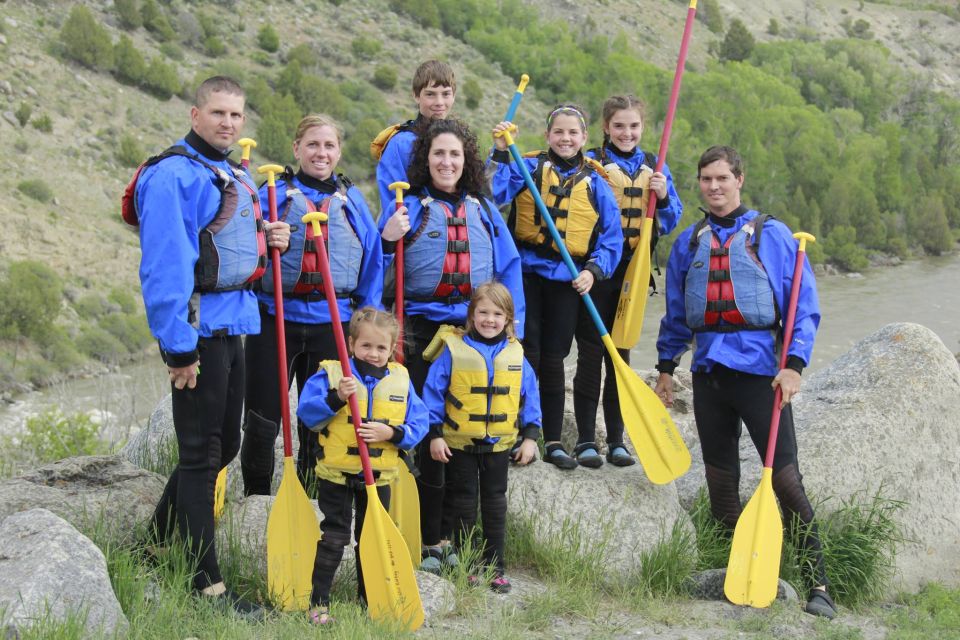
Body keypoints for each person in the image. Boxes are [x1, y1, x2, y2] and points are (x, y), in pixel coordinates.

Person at [653, 145, 835, 619]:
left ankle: (819, 580)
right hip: (709, 373)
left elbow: (802, 304)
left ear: (739, 180)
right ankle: (741, 568)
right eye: (706, 180)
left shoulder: (771, 235)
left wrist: (794, 364)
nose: (714, 187)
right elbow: (676, 313)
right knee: (721, 483)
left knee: (786, 481)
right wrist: (666, 368)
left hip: (760, 374)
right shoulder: (689, 243)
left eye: (722, 179)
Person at [133, 76, 290, 619]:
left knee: (221, 449)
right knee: (201, 455)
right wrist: (178, 350)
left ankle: (153, 548)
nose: (228, 123)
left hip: (234, 324)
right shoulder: (173, 175)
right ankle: (207, 587)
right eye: (218, 113)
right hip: (198, 332)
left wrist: (268, 236)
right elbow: (165, 268)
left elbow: (225, 243)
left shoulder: (230, 172)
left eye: (237, 116)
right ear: (194, 114)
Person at [378, 117, 524, 573]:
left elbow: (509, 269)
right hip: (420, 332)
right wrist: (387, 239)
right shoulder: (409, 209)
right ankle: (429, 539)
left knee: (460, 432)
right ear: (426, 159)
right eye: (438, 154)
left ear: (467, 162)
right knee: (427, 433)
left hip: (472, 334)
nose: (446, 162)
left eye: (455, 155)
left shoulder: (483, 209)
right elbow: (378, 268)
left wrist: (512, 332)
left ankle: (455, 536)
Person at [240, 114, 383, 496]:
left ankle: (311, 495)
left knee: (319, 414)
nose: (321, 153)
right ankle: (257, 499)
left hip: (331, 323)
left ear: (339, 151)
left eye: (329, 146)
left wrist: (366, 326)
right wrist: (264, 239)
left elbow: (372, 263)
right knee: (262, 415)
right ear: (296, 149)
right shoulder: (273, 194)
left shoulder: (351, 201)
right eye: (313, 145)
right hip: (275, 319)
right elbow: (243, 253)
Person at [490, 104, 623, 470]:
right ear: (548, 136)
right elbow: (493, 192)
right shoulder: (527, 166)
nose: (566, 138)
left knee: (554, 357)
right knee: (525, 351)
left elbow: (611, 240)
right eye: (558, 132)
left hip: (568, 279)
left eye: (573, 133)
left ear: (584, 138)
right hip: (526, 275)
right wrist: (502, 150)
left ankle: (550, 439)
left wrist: (593, 271)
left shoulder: (596, 183)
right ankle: (518, 430)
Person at [297, 308, 428, 625]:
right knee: (334, 537)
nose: (373, 353)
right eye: (366, 346)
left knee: (371, 537)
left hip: (379, 478)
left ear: (392, 349)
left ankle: (367, 596)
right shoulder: (332, 376)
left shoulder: (401, 379)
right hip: (337, 476)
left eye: (381, 348)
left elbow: (420, 422)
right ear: (351, 344)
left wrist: (392, 433)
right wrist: (337, 398)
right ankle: (319, 603)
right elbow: (308, 414)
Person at [574, 95, 684, 467]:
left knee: (620, 355)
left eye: (633, 126)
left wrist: (663, 195)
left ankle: (617, 440)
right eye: (619, 125)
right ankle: (587, 440)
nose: (626, 132)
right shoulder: (591, 164)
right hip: (597, 270)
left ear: (642, 127)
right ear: (606, 127)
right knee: (590, 355)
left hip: (632, 277)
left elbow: (669, 221)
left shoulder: (654, 167)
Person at [421, 282, 540, 594]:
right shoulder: (452, 351)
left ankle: (495, 567)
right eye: (483, 312)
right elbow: (432, 394)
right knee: (462, 504)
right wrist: (435, 435)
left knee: (495, 505)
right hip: (459, 444)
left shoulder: (516, 354)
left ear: (508, 320)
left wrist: (530, 436)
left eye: (497, 314)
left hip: (499, 445)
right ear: (471, 316)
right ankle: (467, 564)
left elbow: (530, 395)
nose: (490, 319)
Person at [373, 59, 456, 214]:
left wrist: (499, 151)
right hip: (417, 231)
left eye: (446, 94)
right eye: (430, 94)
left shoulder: (459, 141)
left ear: (454, 96)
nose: (439, 102)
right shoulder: (401, 144)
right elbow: (391, 202)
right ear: (417, 96)